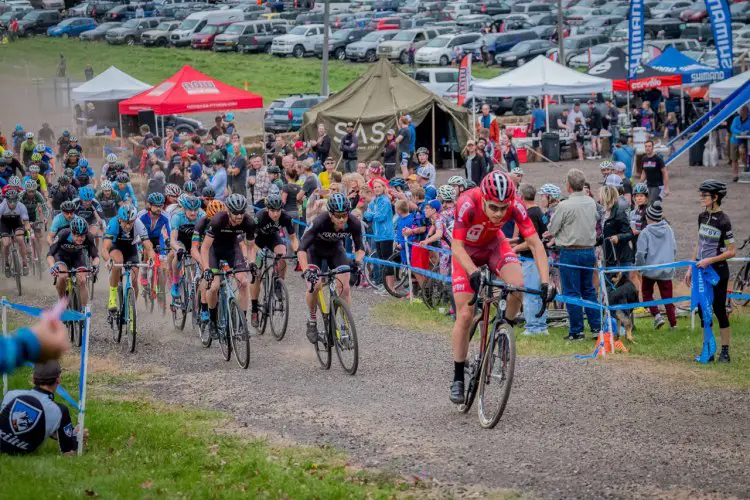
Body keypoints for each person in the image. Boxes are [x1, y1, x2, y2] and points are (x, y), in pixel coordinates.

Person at [449, 171, 551, 404]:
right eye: (493, 207)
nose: (499, 213)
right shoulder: (466, 203)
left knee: (518, 286)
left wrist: (546, 282)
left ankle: (502, 330)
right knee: (465, 313)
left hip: (495, 246)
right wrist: (473, 272)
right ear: (483, 198)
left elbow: (536, 245)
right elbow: (456, 246)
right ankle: (457, 377)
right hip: (466, 252)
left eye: (503, 209)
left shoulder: (516, 205)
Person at [298, 193, 365, 343]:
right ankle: (312, 320)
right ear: (330, 214)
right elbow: (301, 248)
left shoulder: (354, 223)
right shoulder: (320, 221)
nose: (341, 219)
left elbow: (360, 247)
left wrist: (358, 263)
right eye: (337, 216)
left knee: (345, 288)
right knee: (314, 286)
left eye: (344, 215)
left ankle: (345, 326)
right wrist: (306, 271)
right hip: (314, 251)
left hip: (335, 250)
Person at [544, 168, 601, 341]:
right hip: (589, 250)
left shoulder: (564, 205)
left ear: (568, 186)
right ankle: (596, 327)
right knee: (589, 290)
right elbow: (597, 218)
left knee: (571, 292)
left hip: (570, 251)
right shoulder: (591, 203)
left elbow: (552, 229)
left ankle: (577, 330)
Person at [685, 180, 735, 363]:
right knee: (702, 310)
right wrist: (691, 266)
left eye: (705, 195)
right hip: (701, 271)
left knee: (719, 310)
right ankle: (709, 349)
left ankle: (725, 351)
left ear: (715, 197)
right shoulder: (702, 216)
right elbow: (699, 243)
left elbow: (732, 251)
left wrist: (709, 260)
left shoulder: (724, 220)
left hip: (718, 272)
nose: (701, 198)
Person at [0, 361, 88, 455]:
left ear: (33, 378)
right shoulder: (59, 411)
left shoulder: (11, 395)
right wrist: (77, 437)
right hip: (21, 453)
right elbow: (69, 452)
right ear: (58, 379)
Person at [201, 194, 256, 337]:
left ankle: (242, 325)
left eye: (241, 213)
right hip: (215, 251)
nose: (239, 217)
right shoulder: (218, 220)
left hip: (232, 250)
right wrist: (206, 268)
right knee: (214, 287)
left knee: (243, 283)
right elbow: (205, 248)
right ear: (228, 211)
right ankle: (212, 321)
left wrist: (251, 263)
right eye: (235, 213)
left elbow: (250, 247)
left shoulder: (249, 222)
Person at [249, 194, 298, 327]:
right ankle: (254, 309)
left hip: (273, 238)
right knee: (256, 275)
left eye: (278, 210)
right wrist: (255, 256)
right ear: (267, 209)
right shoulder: (259, 217)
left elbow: (293, 238)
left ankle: (278, 283)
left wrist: (298, 253)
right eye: (273, 211)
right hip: (258, 241)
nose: (276, 214)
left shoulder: (286, 217)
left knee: (282, 256)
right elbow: (250, 242)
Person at [513, 183, 549, 335]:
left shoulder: (529, 214)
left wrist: (514, 249)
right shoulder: (539, 211)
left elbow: (531, 242)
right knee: (540, 293)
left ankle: (533, 326)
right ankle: (541, 324)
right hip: (540, 259)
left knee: (531, 294)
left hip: (531, 259)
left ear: (521, 197)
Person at [635, 201, 677, 330]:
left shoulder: (645, 232)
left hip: (650, 271)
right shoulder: (669, 229)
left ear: (648, 217)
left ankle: (657, 315)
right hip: (667, 269)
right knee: (668, 298)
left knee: (647, 293)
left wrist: (639, 267)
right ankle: (673, 324)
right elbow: (674, 248)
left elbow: (641, 253)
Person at [102, 205, 153, 311]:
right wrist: (108, 260)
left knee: (134, 279)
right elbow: (104, 248)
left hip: (130, 248)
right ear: (120, 219)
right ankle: (112, 298)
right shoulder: (113, 223)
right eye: (126, 222)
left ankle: (131, 308)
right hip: (116, 246)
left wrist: (151, 258)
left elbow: (148, 246)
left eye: (131, 222)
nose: (129, 226)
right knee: (118, 262)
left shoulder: (138, 223)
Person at [47, 217, 99, 309]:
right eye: (77, 236)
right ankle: (62, 300)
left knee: (82, 280)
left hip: (78, 257)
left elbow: (95, 257)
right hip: (62, 256)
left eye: (82, 236)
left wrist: (95, 265)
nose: (80, 238)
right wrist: (52, 266)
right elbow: (50, 254)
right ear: (71, 232)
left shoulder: (89, 237)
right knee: (62, 276)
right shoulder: (63, 234)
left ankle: (84, 310)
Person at [597, 186, 634, 268]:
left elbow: (629, 233)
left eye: (600, 195)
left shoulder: (619, 213)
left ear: (606, 196)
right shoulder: (603, 212)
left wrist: (618, 237)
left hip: (621, 258)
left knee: (626, 280)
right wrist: (595, 240)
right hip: (609, 257)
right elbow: (606, 234)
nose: (599, 197)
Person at [0, 190, 31, 276]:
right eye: (10, 201)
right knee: (6, 244)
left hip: (16, 222)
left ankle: (25, 264)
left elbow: (26, 222)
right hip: (4, 223)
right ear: (6, 200)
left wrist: (28, 230)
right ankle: (6, 264)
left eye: (14, 201)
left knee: (20, 239)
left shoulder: (21, 206)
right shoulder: (2, 206)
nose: (13, 203)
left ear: (17, 200)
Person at [729, 105, 750, 182]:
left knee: (743, 152)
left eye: (744, 111)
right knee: (734, 159)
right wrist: (740, 132)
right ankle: (735, 175)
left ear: (747, 112)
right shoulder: (736, 119)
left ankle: (746, 166)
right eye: (741, 111)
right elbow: (732, 128)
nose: (742, 112)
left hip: (744, 140)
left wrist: (747, 132)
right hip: (734, 140)